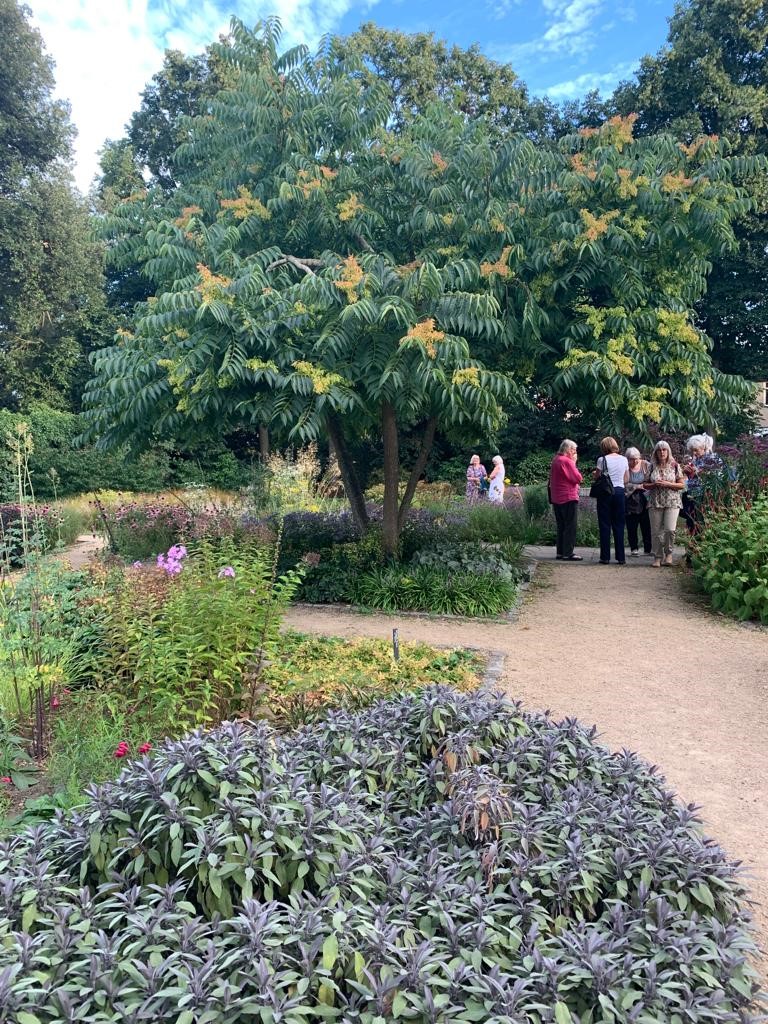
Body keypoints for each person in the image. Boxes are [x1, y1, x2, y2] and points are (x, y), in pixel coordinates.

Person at [644, 440, 685, 567]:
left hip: (672, 501)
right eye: (659, 450)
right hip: (655, 501)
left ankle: (669, 554)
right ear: (655, 452)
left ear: (668, 451)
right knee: (656, 531)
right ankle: (657, 556)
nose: (662, 452)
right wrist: (654, 484)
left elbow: (682, 485)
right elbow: (645, 484)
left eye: (664, 450)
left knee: (669, 529)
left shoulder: (675, 465)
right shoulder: (651, 466)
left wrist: (668, 484)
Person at [593, 437, 629, 565]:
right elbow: (626, 478)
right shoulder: (624, 459)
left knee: (605, 524)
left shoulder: (602, 460)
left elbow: (597, 476)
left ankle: (605, 557)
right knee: (619, 524)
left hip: (606, 493)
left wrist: (595, 474)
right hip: (619, 492)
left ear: (604, 447)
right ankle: (621, 557)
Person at [681, 433, 724, 535]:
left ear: (703, 447)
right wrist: (687, 472)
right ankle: (693, 545)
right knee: (690, 518)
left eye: (696, 450)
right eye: (692, 451)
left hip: (705, 496)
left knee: (699, 520)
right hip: (693, 494)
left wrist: (698, 472)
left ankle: (699, 543)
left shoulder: (713, 458)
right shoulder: (696, 459)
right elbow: (692, 477)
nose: (694, 453)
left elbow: (719, 476)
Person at [548, 439, 583, 561]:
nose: (575, 452)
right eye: (574, 450)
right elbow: (578, 478)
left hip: (557, 497)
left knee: (561, 525)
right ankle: (568, 553)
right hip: (568, 497)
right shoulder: (566, 461)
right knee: (570, 526)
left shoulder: (556, 459)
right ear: (568, 450)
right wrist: (574, 462)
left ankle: (560, 552)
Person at [624, 447, 652, 556]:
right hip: (631, 499)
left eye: (636, 459)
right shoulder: (625, 467)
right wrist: (636, 486)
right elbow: (624, 484)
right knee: (632, 525)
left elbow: (651, 479)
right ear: (627, 459)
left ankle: (648, 549)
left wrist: (644, 486)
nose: (635, 461)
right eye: (631, 459)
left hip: (646, 498)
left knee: (646, 524)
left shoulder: (646, 464)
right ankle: (634, 548)